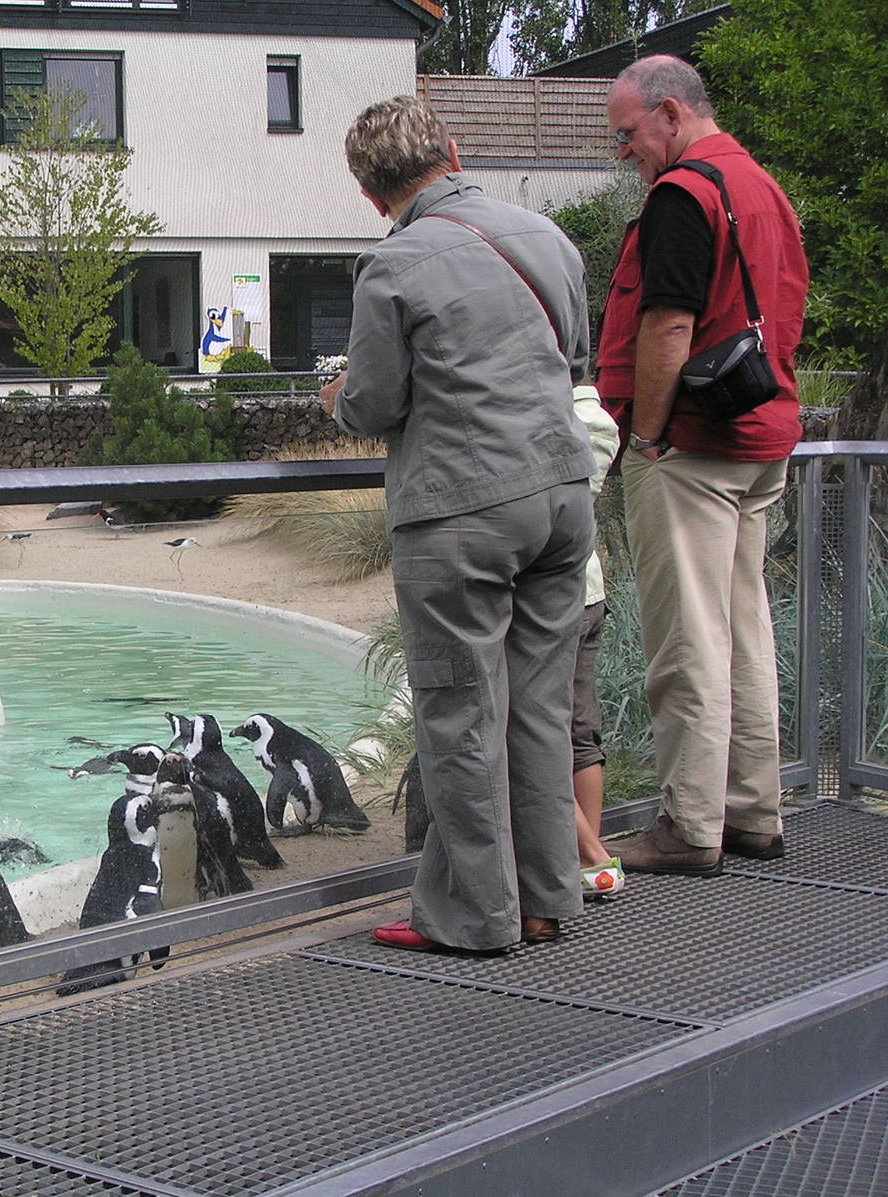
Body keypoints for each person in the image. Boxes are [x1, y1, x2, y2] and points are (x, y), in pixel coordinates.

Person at [320, 96, 596, 954]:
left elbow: (372, 402)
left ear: (372, 195)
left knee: (460, 713)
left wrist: (331, 395)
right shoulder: (550, 239)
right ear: (452, 149)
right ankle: (548, 897)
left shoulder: (392, 266)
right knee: (539, 710)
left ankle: (478, 917)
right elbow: (573, 360)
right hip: (562, 497)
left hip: (463, 510)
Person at [598, 56, 807, 876]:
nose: (625, 154)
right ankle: (753, 811)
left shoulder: (685, 193)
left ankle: (689, 826)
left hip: (692, 447)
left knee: (688, 640)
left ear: (672, 114)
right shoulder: (763, 187)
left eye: (628, 135)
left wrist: (647, 435)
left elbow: (669, 327)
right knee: (743, 629)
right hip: (760, 434)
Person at [572, 384, 627, 900]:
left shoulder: (544, 408)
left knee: (529, 733)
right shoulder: (597, 416)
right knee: (581, 733)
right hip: (590, 590)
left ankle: (590, 855)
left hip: (551, 598)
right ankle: (588, 862)